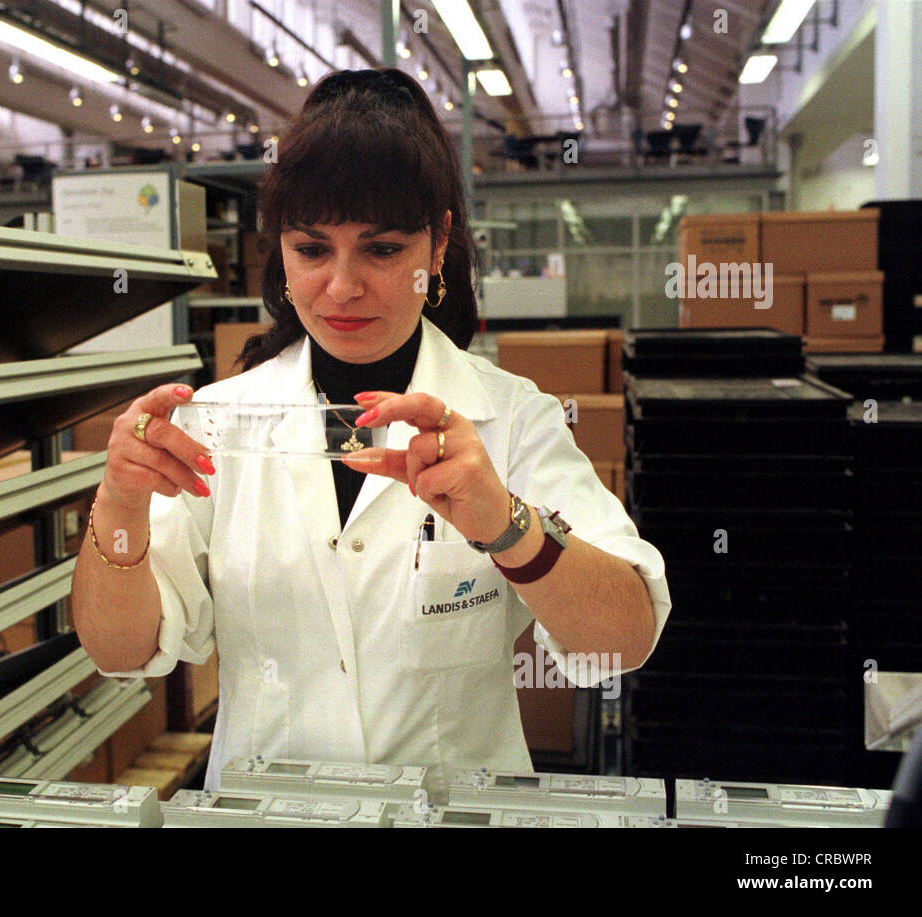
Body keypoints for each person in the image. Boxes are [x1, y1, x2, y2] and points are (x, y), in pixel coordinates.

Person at [70, 68, 671, 792]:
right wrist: (121, 507)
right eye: (312, 249)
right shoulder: (220, 421)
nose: (343, 286)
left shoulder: (510, 418)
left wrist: (509, 526)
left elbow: (624, 638)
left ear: (437, 243)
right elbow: (121, 650)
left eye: (382, 249)